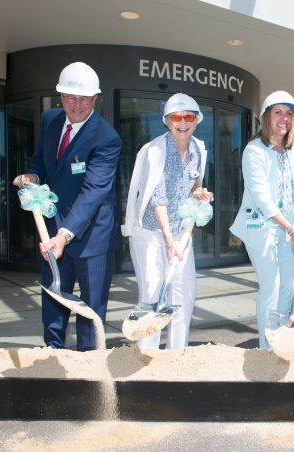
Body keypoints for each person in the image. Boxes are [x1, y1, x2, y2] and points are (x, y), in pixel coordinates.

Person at [13, 62, 122, 351]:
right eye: (71, 97)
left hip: (92, 237)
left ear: (95, 98)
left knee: (91, 307)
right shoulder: (49, 121)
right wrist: (33, 177)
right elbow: (40, 160)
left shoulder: (106, 138)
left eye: (85, 98)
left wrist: (64, 235)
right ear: (60, 96)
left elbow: (93, 192)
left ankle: (88, 365)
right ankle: (53, 353)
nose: (77, 105)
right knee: (52, 296)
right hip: (53, 229)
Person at [122, 93, 212, 350]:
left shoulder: (198, 150)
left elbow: (194, 184)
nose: (182, 122)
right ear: (167, 121)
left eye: (189, 118)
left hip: (180, 232)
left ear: (196, 121)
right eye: (176, 117)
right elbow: (157, 198)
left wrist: (199, 193)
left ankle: (176, 351)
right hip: (150, 231)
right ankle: (148, 353)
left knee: (183, 294)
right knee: (152, 292)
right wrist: (168, 240)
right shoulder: (155, 151)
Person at [230, 91, 294, 350]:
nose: (284, 118)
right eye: (278, 112)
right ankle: (267, 347)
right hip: (261, 227)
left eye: (289, 113)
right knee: (271, 285)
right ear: (266, 116)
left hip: (288, 225)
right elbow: (263, 199)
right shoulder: (253, 151)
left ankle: (283, 338)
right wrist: (292, 230)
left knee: (289, 283)